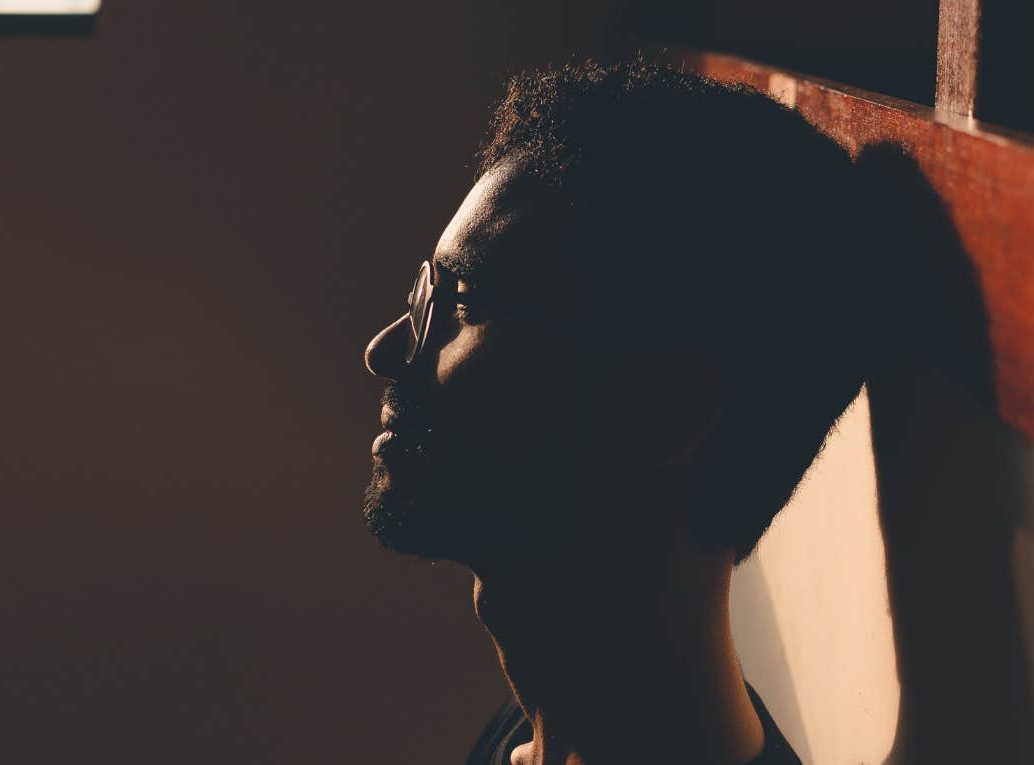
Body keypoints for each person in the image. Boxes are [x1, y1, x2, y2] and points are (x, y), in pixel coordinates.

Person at [362, 57, 870, 765]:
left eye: (466, 302)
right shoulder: (519, 736)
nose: (385, 351)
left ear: (663, 410)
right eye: (427, 295)